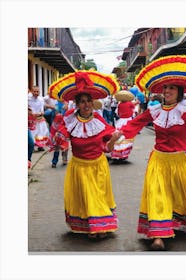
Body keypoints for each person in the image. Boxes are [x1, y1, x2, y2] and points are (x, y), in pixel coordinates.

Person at [118, 55, 186, 250]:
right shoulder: (155, 110)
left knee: (185, 194)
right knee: (157, 194)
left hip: (179, 161)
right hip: (158, 160)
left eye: (172, 88)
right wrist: (119, 134)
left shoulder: (185, 109)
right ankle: (158, 235)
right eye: (165, 87)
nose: (167, 91)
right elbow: (137, 122)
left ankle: (179, 222)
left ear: (179, 91)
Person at [48, 70, 122, 239]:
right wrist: (58, 128)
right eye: (82, 102)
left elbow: (108, 148)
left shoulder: (99, 121)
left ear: (93, 102)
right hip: (79, 168)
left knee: (97, 197)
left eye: (89, 101)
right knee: (86, 198)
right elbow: (59, 139)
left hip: (98, 167)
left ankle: (100, 227)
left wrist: (113, 140)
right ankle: (94, 227)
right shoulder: (70, 121)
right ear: (77, 104)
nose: (86, 104)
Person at [110, 90, 136, 161]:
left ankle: (117, 153)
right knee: (127, 137)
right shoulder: (130, 103)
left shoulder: (119, 104)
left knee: (119, 137)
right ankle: (123, 154)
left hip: (120, 121)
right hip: (128, 121)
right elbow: (134, 110)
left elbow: (117, 113)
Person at [28, 86, 50, 151]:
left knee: (41, 132)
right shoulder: (28, 99)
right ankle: (32, 145)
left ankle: (40, 146)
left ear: (39, 92)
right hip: (31, 119)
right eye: (34, 91)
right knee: (33, 132)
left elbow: (42, 110)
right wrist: (31, 113)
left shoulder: (41, 99)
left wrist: (41, 113)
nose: (36, 93)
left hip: (39, 118)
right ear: (32, 91)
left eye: (37, 91)